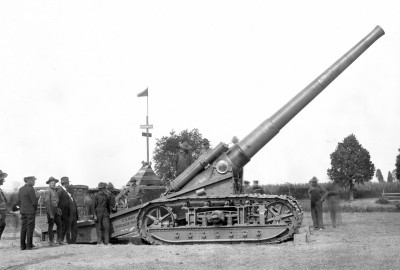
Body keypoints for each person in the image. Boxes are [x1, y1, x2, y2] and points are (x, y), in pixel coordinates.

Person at [17, 176, 39, 250]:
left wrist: (22, 209)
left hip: (23, 212)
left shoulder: (20, 189)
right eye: (33, 181)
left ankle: (22, 246)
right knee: (30, 228)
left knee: (23, 228)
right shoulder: (31, 189)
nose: (34, 182)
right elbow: (34, 202)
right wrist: (35, 210)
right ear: (29, 181)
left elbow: (19, 202)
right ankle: (29, 246)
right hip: (30, 212)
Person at [44, 177, 62, 246]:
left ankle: (59, 240)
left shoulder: (54, 190)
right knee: (51, 225)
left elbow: (56, 201)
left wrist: (57, 208)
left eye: (54, 183)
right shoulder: (48, 191)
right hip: (50, 209)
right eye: (52, 183)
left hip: (55, 208)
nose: (53, 184)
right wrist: (50, 213)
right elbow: (47, 203)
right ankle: (51, 241)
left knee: (59, 224)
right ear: (49, 183)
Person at [57, 176, 73, 244]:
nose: (68, 185)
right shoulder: (60, 190)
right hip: (62, 211)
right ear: (65, 184)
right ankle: (61, 240)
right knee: (63, 226)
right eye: (67, 183)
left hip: (66, 211)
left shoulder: (65, 190)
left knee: (65, 225)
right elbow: (57, 201)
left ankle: (64, 240)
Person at [0, 170, 9, 240]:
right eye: (2, 178)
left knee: (2, 225)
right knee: (1, 225)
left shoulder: (0, 189)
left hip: (2, 211)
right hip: (0, 212)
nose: (3, 180)